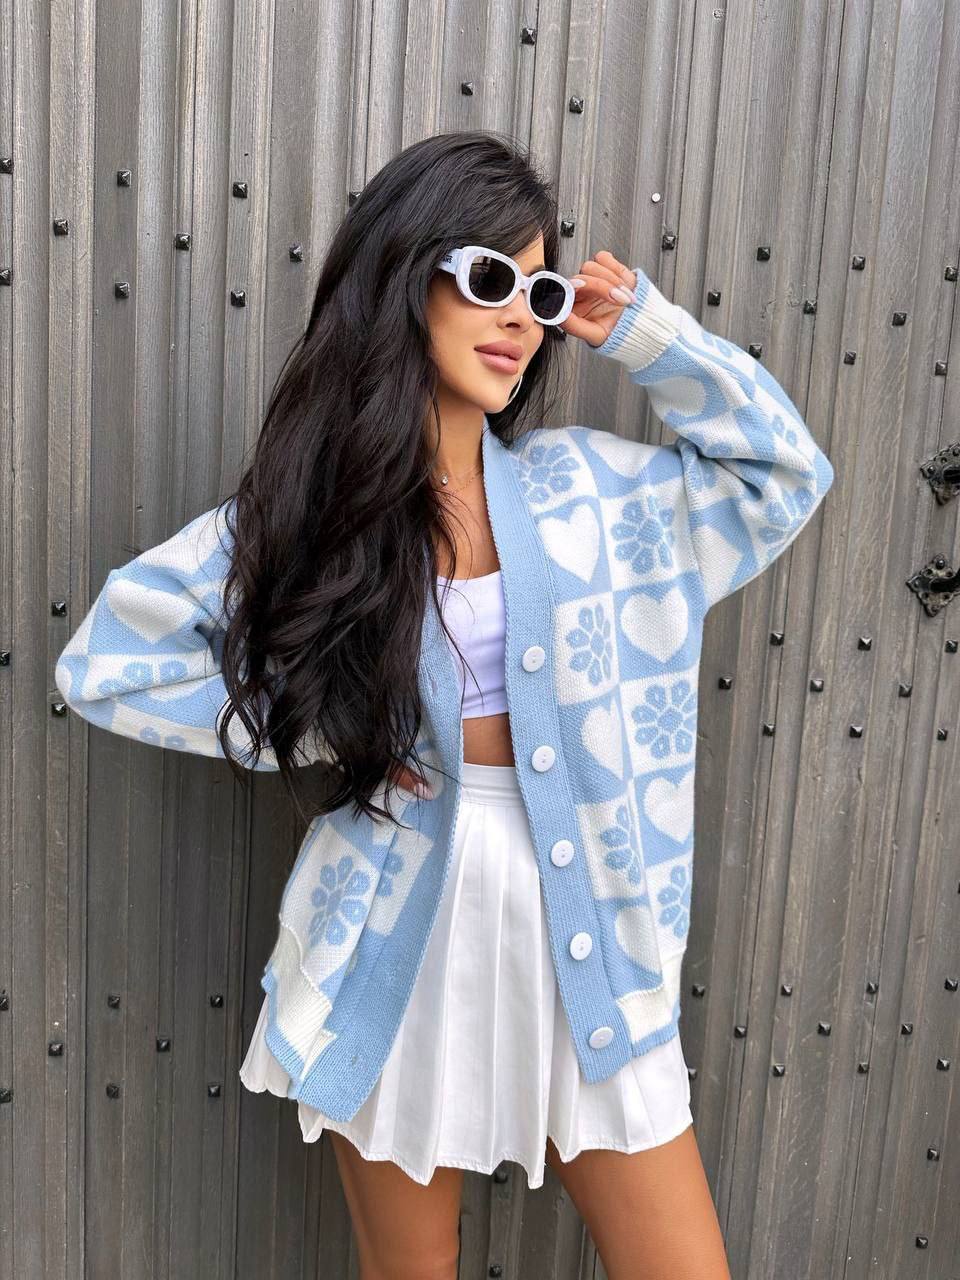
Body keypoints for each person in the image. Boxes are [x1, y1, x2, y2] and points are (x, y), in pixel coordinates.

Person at [54, 129, 834, 1280]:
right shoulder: (313, 522)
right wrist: (336, 718)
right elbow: (107, 657)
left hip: (595, 941)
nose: (521, 315)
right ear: (403, 278)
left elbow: (783, 476)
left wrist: (649, 336)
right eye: (487, 278)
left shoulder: (597, 496)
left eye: (541, 288)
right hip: (394, 936)